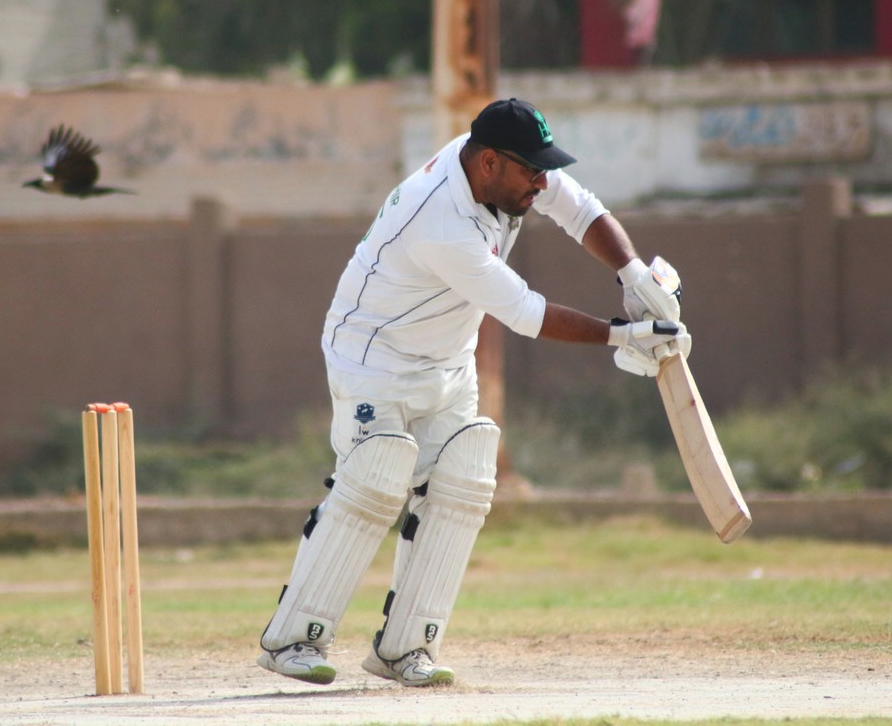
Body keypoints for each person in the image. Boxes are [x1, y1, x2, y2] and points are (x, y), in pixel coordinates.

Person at [257, 98, 690, 687]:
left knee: (462, 483)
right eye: (532, 170)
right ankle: (292, 639)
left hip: (448, 359)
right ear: (490, 162)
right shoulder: (440, 218)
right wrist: (624, 336)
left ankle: (406, 649)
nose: (542, 182)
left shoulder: (505, 174)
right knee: (374, 480)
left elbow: (582, 210)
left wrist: (633, 275)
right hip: (373, 360)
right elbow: (524, 311)